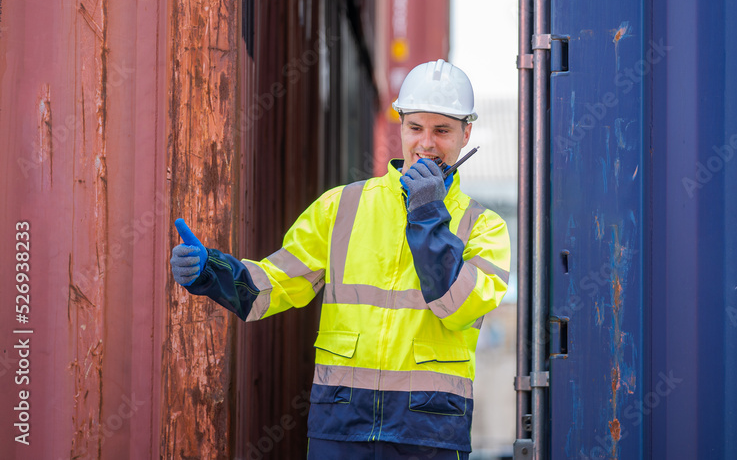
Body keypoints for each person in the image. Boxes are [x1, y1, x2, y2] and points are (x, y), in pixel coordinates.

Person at [170, 59, 510, 460]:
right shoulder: (342, 206)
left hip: (429, 431)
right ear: (400, 125)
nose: (426, 144)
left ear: (465, 132)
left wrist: (428, 214)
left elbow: (456, 306)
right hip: (343, 425)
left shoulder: (484, 227)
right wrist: (211, 270)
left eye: (442, 131)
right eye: (416, 128)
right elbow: (272, 287)